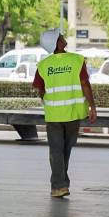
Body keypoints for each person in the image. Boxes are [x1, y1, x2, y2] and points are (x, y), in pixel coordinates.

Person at [33, 29, 97, 198]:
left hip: (53, 114)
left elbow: (41, 90)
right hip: (73, 114)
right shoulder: (77, 61)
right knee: (64, 149)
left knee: (57, 151)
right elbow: (85, 84)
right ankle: (59, 185)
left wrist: (49, 101)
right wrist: (92, 107)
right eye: (60, 37)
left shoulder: (43, 65)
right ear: (57, 43)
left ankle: (59, 185)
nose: (63, 37)